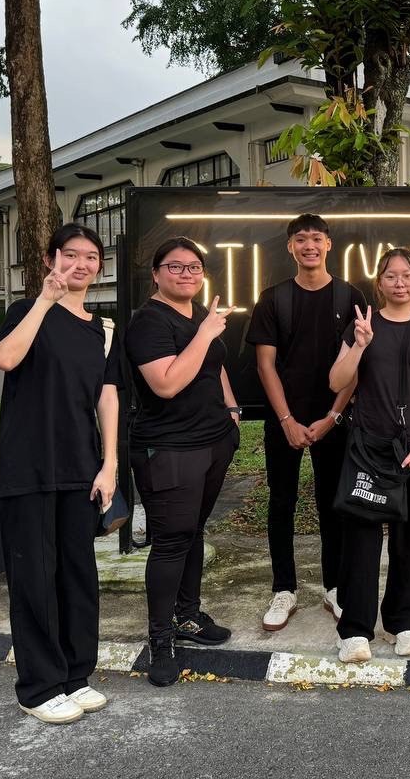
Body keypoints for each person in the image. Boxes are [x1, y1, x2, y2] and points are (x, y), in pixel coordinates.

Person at [0, 223, 121, 724]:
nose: (81, 265)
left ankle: (75, 676)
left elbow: (107, 396)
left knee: (76, 575)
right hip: (28, 465)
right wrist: (45, 302)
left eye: (91, 257)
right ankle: (39, 686)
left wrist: (109, 464)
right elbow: (4, 358)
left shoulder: (102, 329)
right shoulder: (26, 311)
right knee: (34, 578)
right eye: (71, 255)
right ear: (51, 259)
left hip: (80, 466)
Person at [125, 238, 241, 687]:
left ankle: (188, 616)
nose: (186, 274)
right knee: (172, 540)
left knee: (193, 531)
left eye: (194, 267)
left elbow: (213, 367)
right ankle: (161, 640)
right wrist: (207, 332)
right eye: (175, 267)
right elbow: (168, 384)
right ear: (156, 274)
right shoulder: (148, 322)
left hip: (214, 440)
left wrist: (231, 413)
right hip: (169, 448)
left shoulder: (199, 317)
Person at [328, 248, 410, 663]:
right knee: (361, 535)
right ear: (379, 283)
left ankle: (404, 622)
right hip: (367, 443)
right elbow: (336, 381)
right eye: (391, 276)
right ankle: (355, 630)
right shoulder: (363, 324)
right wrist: (360, 345)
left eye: (407, 275)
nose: (399, 283)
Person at [246, 214, 366, 632]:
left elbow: (355, 366)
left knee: (334, 505)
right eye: (301, 239)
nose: (309, 245)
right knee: (281, 503)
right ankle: (284, 588)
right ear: (290, 247)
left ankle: (334, 586)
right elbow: (265, 365)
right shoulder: (273, 298)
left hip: (334, 419)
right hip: (286, 421)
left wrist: (332, 416)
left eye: (316, 238)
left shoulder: (350, 297)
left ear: (329, 244)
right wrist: (286, 419)